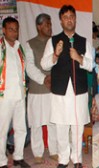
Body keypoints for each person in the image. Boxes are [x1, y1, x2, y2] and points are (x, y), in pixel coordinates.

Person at [41, 5, 93, 168]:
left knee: (77, 126)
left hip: (79, 91)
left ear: (75, 18)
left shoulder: (84, 41)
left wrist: (79, 58)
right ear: (61, 20)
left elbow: (91, 66)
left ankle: (76, 158)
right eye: (66, 17)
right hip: (60, 91)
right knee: (62, 126)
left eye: (71, 16)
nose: (69, 19)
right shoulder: (53, 40)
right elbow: (44, 65)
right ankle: (63, 159)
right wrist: (55, 54)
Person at [25, 13, 58, 164]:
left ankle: (54, 151)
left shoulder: (55, 42)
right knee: (36, 123)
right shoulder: (29, 44)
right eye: (46, 24)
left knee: (53, 122)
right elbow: (29, 67)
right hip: (37, 89)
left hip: (53, 90)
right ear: (39, 26)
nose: (49, 27)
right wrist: (44, 78)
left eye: (50, 24)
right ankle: (37, 153)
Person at [0, 17, 31, 168]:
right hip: (4, 95)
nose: (14, 32)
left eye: (16, 29)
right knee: (2, 130)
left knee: (21, 128)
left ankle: (18, 157)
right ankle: (1, 161)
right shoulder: (0, 47)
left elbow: (23, 71)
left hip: (20, 94)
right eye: (11, 29)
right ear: (4, 30)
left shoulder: (19, 48)